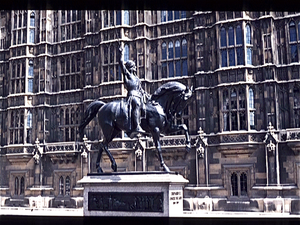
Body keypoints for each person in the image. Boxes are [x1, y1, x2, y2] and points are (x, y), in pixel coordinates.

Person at [119, 46, 148, 138]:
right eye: (133, 67)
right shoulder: (128, 75)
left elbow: (141, 89)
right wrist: (120, 54)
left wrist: (147, 95)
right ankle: (137, 126)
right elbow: (121, 65)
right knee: (137, 104)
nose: (135, 68)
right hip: (132, 96)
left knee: (146, 108)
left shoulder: (137, 78)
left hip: (139, 96)